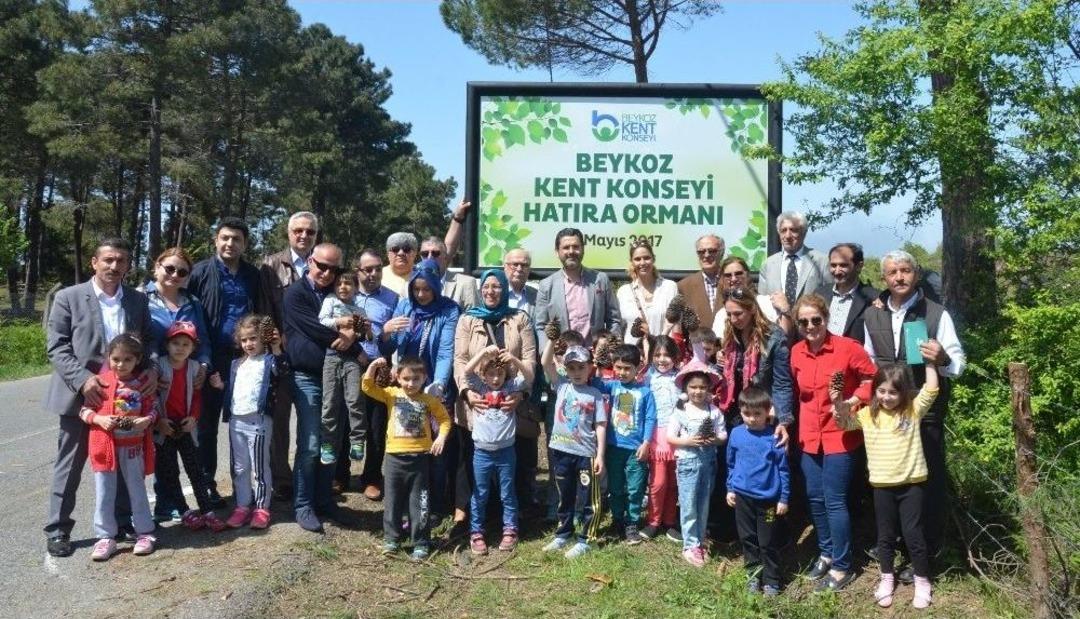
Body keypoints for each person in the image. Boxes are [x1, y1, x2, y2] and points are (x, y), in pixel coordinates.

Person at [44, 237, 154, 558]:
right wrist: (83, 380)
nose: (113, 266)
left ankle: (120, 523)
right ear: (94, 262)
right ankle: (58, 529)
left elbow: (148, 343)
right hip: (81, 394)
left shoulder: (137, 300)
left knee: (122, 463)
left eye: (120, 261)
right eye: (107, 260)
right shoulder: (68, 297)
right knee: (71, 464)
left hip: (124, 395)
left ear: (128, 266)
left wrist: (152, 370)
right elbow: (57, 346)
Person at [863, 249, 965, 576]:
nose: (899, 277)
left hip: (925, 415)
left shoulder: (936, 314)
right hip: (887, 417)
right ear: (884, 278)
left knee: (927, 486)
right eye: (893, 272)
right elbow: (867, 363)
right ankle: (895, 548)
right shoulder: (872, 315)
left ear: (916, 274)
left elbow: (959, 365)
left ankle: (927, 555)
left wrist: (943, 358)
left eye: (905, 270)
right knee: (890, 483)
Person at [789, 293, 877, 591]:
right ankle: (826, 552)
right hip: (809, 436)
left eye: (816, 320)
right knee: (814, 496)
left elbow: (873, 380)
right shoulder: (797, 352)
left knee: (835, 499)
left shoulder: (847, 348)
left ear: (826, 318)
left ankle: (842, 566)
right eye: (803, 321)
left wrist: (853, 400)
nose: (810, 326)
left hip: (841, 434)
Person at [834, 364, 939, 609]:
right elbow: (843, 424)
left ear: (904, 393)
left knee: (914, 536)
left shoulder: (913, 410)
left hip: (912, 485)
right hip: (882, 487)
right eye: (881, 391)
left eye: (893, 392)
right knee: (885, 536)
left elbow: (931, 389)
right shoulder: (867, 415)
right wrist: (839, 407)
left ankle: (922, 581)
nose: (886, 397)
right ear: (874, 391)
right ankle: (886, 578)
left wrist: (931, 364)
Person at [283, 243, 360, 533]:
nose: (327, 273)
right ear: (310, 262)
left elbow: (360, 322)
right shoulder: (295, 294)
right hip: (307, 377)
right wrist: (347, 338)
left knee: (332, 442)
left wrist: (355, 335)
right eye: (322, 266)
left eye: (334, 268)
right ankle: (303, 505)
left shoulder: (337, 293)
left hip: (337, 377)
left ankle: (325, 500)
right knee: (311, 443)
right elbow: (314, 328)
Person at [187, 217, 264, 506]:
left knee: (244, 424)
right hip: (209, 358)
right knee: (206, 427)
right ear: (216, 240)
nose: (230, 243)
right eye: (225, 238)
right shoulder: (200, 273)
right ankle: (206, 485)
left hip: (244, 359)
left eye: (237, 239)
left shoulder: (253, 275)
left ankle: (245, 486)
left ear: (245, 244)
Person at [454, 269, 535, 529]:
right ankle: (475, 515)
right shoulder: (468, 319)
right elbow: (460, 360)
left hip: (512, 399)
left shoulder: (519, 318)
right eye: (486, 287)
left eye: (497, 287)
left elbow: (531, 359)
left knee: (513, 460)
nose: (491, 291)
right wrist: (467, 393)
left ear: (504, 289)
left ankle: (511, 516)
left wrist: (521, 395)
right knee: (474, 457)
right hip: (476, 399)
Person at [381, 258, 461, 518]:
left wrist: (438, 383)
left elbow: (446, 350)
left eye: (427, 289)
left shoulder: (448, 310)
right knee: (409, 445)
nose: (422, 294)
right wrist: (386, 332)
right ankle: (407, 508)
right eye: (417, 289)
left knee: (436, 450)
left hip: (434, 389)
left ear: (436, 288)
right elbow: (390, 347)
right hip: (407, 388)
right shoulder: (405, 306)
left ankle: (435, 507)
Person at [142, 247, 211, 521]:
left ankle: (182, 504)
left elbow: (203, 339)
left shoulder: (192, 303)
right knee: (160, 443)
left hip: (185, 378)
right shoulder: (139, 298)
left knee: (183, 441)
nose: (174, 275)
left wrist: (204, 366)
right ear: (157, 266)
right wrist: (147, 369)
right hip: (151, 379)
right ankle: (163, 504)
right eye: (169, 268)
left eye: (182, 271)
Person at [362, 356, 451, 561]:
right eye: (406, 379)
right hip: (394, 458)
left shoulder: (429, 400)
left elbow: (445, 420)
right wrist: (373, 366)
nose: (411, 384)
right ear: (398, 378)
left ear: (424, 379)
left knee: (419, 501)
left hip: (420, 459)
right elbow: (367, 387)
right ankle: (391, 539)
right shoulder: (392, 395)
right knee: (392, 500)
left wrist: (441, 438)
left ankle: (420, 541)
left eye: (416, 379)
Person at [80, 334, 158, 561]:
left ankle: (145, 532)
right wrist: (99, 420)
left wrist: (147, 420)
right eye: (116, 359)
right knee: (105, 492)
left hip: (133, 447)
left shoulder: (142, 384)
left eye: (127, 360)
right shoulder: (101, 382)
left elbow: (153, 408)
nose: (121, 364)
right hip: (105, 449)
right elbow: (84, 411)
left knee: (136, 489)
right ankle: (105, 537)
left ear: (138, 359)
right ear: (108, 357)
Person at [260, 211, 319, 502]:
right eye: (298, 230)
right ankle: (282, 480)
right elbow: (264, 312)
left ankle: (309, 479)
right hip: (281, 355)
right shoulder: (270, 265)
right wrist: (273, 346)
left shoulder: (322, 265)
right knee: (280, 420)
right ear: (288, 232)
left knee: (312, 423)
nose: (303, 236)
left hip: (312, 357)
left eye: (309, 232)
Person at [154, 322, 226, 533]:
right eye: (175, 343)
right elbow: (150, 397)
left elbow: (196, 396)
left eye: (186, 344)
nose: (180, 348)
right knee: (170, 472)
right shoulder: (158, 366)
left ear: (193, 348)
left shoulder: (194, 367)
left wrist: (194, 417)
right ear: (167, 345)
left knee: (195, 470)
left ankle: (207, 511)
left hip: (185, 427)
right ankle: (185, 512)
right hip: (165, 427)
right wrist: (158, 420)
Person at [539, 341, 608, 559]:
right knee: (564, 495)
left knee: (589, 499)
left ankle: (587, 539)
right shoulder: (561, 386)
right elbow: (544, 362)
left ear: (590, 368)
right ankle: (563, 534)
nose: (576, 372)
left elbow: (600, 426)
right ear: (565, 369)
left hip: (586, 454)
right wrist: (552, 339)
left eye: (581, 367)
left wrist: (600, 455)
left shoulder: (595, 394)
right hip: (561, 451)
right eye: (571, 368)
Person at [461, 345, 529, 554]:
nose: (496, 379)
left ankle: (510, 530)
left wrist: (514, 360)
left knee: (507, 493)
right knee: (480, 493)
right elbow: (465, 372)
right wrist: (482, 354)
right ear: (483, 376)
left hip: (506, 453)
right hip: (481, 453)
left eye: (499, 374)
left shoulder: (511, 389)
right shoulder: (479, 389)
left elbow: (529, 375)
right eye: (491, 374)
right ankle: (476, 532)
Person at [222, 315, 287, 530]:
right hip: (236, 420)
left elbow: (283, 371)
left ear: (264, 338)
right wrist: (219, 385)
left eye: (253, 338)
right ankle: (242, 506)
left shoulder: (269, 361)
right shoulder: (236, 364)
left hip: (258, 420)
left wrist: (277, 348)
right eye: (244, 340)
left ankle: (261, 508)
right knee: (240, 467)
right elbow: (234, 389)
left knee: (259, 467)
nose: (249, 344)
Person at [726, 387, 791, 596]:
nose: (752, 419)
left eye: (757, 414)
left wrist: (783, 498)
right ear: (741, 411)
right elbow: (731, 463)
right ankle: (753, 576)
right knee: (748, 538)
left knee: (768, 541)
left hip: (768, 502)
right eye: (747, 414)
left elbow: (783, 470)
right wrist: (730, 488)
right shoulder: (736, 434)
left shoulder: (774, 437)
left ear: (768, 412)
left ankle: (772, 580)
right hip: (743, 498)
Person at [666, 359, 727, 567]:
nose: (698, 391)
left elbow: (723, 435)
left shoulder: (714, 412)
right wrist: (688, 441)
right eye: (693, 387)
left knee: (703, 503)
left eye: (702, 387)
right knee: (689, 504)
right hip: (688, 464)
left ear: (709, 388)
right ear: (686, 388)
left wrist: (716, 439)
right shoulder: (681, 412)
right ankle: (690, 544)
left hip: (709, 464)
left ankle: (700, 540)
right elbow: (671, 437)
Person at [352, 249, 399, 501]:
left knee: (377, 424)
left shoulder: (393, 299)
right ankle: (339, 474)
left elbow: (394, 345)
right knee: (347, 420)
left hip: (380, 365)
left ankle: (371, 477)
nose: (373, 274)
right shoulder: (345, 294)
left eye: (378, 268)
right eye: (367, 269)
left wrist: (387, 335)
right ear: (357, 270)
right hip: (350, 364)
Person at [599, 344, 656, 543]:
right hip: (614, 447)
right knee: (616, 487)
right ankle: (617, 519)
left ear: (637, 368)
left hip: (635, 450)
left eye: (627, 368)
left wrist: (646, 442)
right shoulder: (611, 387)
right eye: (618, 367)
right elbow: (594, 382)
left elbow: (650, 419)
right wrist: (599, 362)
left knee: (634, 487)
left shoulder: (645, 392)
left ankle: (632, 522)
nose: (622, 372)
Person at [535, 227, 622, 350]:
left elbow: (614, 320)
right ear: (557, 252)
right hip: (561, 360)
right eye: (566, 247)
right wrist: (549, 356)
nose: (571, 251)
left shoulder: (600, 279)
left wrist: (611, 350)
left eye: (576, 247)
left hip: (595, 359)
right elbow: (540, 325)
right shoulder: (546, 285)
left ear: (583, 249)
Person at [317, 270, 368, 466]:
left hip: (352, 360)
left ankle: (357, 441)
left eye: (348, 284)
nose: (343, 287)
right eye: (339, 284)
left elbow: (365, 336)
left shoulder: (360, 311)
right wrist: (339, 321)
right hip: (331, 357)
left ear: (356, 288)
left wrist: (365, 331)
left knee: (355, 400)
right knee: (330, 402)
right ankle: (328, 444)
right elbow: (321, 322)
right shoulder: (330, 300)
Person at [640, 335, 682, 542]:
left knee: (674, 483)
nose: (662, 359)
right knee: (658, 483)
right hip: (656, 436)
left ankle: (670, 521)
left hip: (678, 436)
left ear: (675, 356)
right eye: (657, 355)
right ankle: (653, 521)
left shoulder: (682, 377)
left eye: (667, 355)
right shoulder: (647, 378)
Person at [757, 211, 832, 322]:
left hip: (810, 330)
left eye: (793, 230)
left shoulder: (821, 261)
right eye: (783, 230)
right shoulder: (768, 264)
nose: (788, 236)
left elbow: (830, 299)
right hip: (776, 331)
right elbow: (762, 302)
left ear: (804, 233)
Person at [616, 239, 678, 345]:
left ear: (653, 259)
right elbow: (619, 328)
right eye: (637, 259)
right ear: (632, 262)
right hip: (633, 358)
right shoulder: (623, 292)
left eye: (647, 258)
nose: (642, 263)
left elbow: (676, 326)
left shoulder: (669, 287)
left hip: (662, 356)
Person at [815, 243, 879, 344]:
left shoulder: (873, 298)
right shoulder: (819, 295)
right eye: (833, 265)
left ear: (859, 266)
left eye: (843, 265)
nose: (837, 271)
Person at [710, 256, 784, 337]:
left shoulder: (767, 303)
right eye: (728, 275)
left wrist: (785, 311)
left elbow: (785, 336)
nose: (734, 279)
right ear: (722, 280)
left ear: (747, 275)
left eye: (738, 273)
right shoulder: (721, 315)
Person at [676, 234, 726, 327]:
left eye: (712, 251)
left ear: (721, 253)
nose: (706, 255)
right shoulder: (683, 286)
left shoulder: (732, 281)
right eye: (701, 252)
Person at [421, 236, 479, 311]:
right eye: (425, 254)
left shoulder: (466, 283)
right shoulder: (412, 283)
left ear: (445, 257)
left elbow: (473, 318)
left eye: (435, 253)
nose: (429, 257)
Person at [382, 231, 419, 297]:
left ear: (415, 253)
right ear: (388, 254)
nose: (401, 253)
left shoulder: (422, 275)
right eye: (395, 249)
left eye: (406, 249)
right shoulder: (378, 276)